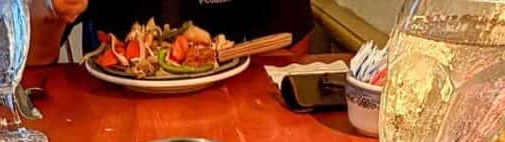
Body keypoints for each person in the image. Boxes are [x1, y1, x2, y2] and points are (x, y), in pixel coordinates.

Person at [28, 0, 313, 66]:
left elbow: (290, 48)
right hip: (111, 106)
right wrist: (50, 11)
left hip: (229, 103)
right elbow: (34, 61)